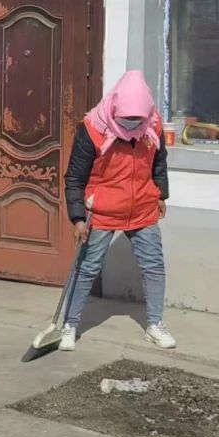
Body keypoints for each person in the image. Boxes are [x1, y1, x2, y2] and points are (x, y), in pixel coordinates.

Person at [62, 70, 174, 351]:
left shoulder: (153, 125)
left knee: (154, 266)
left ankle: (155, 324)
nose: (133, 123)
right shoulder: (92, 129)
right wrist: (78, 218)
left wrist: (161, 193)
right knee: (87, 268)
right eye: (127, 118)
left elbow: (159, 161)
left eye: (138, 119)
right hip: (102, 209)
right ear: (114, 108)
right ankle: (69, 325)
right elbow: (74, 177)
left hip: (143, 207)